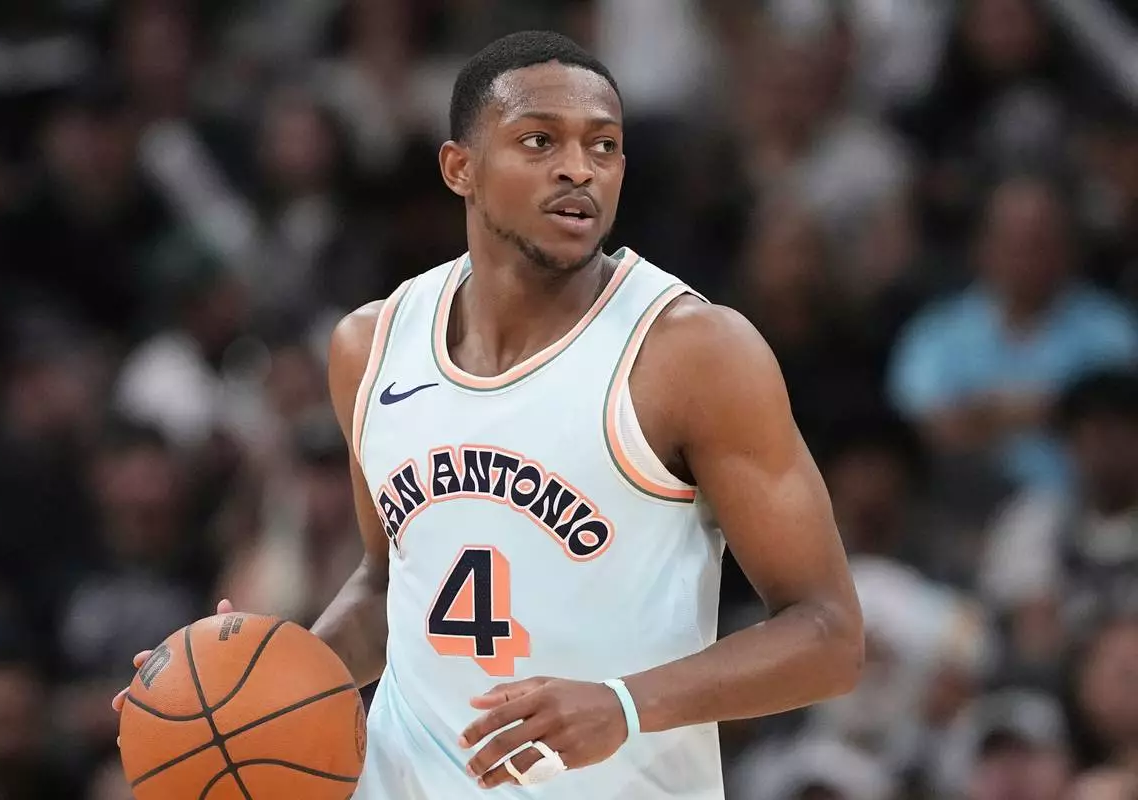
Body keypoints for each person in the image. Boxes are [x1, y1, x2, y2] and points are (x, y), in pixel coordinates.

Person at [113, 30, 864, 798]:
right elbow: (387, 584)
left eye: (603, 146)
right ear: (459, 167)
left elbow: (830, 636)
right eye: (539, 140)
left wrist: (626, 705)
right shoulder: (370, 345)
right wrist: (240, 690)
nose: (578, 166)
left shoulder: (691, 352)